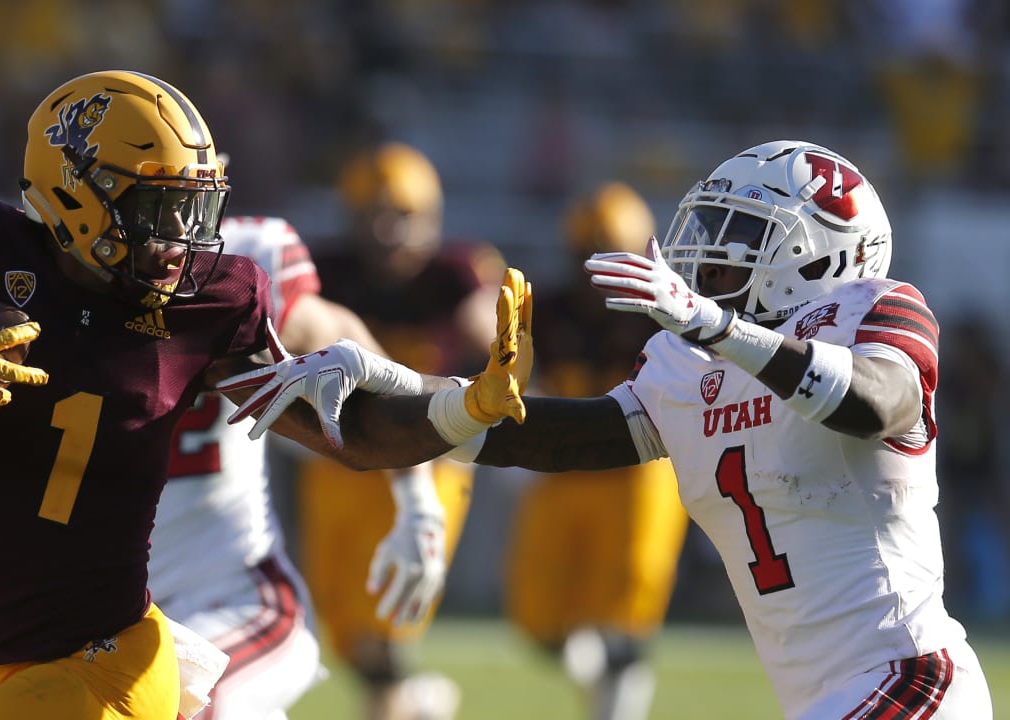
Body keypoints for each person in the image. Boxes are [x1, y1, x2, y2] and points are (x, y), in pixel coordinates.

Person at [0, 70, 474, 720]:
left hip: (217, 594)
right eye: (160, 205)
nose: (182, 237)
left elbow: (350, 383)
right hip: (69, 623)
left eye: (195, 203)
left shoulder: (236, 271)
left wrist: (429, 477)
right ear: (80, 193)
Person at [221, 140, 994, 719]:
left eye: (747, 233)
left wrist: (717, 324)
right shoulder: (691, 365)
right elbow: (550, 436)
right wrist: (397, 383)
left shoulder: (875, 310)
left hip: (911, 677)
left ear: (819, 252)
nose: (711, 250)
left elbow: (874, 400)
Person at [149, 215, 450, 719]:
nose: (172, 215)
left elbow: (352, 353)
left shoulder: (238, 264)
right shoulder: (37, 278)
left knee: (191, 704)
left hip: (230, 589)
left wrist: (419, 500)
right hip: (107, 603)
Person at [296, 140, 504, 720]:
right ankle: (417, 704)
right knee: (342, 628)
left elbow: (486, 330)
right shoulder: (330, 271)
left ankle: (403, 700)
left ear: (431, 217)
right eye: (375, 216)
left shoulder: (455, 274)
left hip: (423, 461)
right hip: (341, 461)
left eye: (403, 216)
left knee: (384, 625)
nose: (389, 231)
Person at [504, 182, 686, 720]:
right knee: (537, 619)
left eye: (616, 257)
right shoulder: (550, 311)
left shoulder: (665, 317)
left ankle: (618, 698)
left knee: (626, 610)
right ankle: (604, 672)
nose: (603, 276)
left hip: (638, 474)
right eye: (592, 256)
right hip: (562, 471)